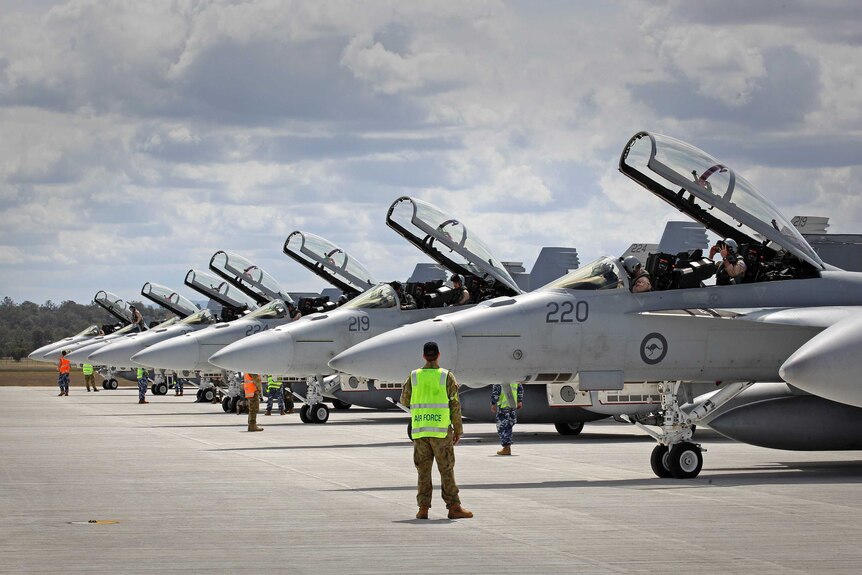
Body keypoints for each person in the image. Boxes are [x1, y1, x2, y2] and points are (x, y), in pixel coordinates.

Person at [400, 341, 472, 520]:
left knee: (423, 471)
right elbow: (455, 405)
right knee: (446, 469)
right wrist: (458, 430)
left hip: (420, 431)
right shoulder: (446, 376)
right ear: (438, 355)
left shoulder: (414, 376)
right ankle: (453, 507)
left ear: (424, 356)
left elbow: (404, 400)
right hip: (441, 432)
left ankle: (423, 508)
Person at [490, 383, 523, 455]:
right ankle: (507, 447)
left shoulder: (500, 376)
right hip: (512, 406)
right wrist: (519, 400)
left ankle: (506, 448)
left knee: (502, 427)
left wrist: (493, 403)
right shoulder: (515, 376)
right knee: (508, 426)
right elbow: (520, 388)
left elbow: (496, 391)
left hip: (503, 406)